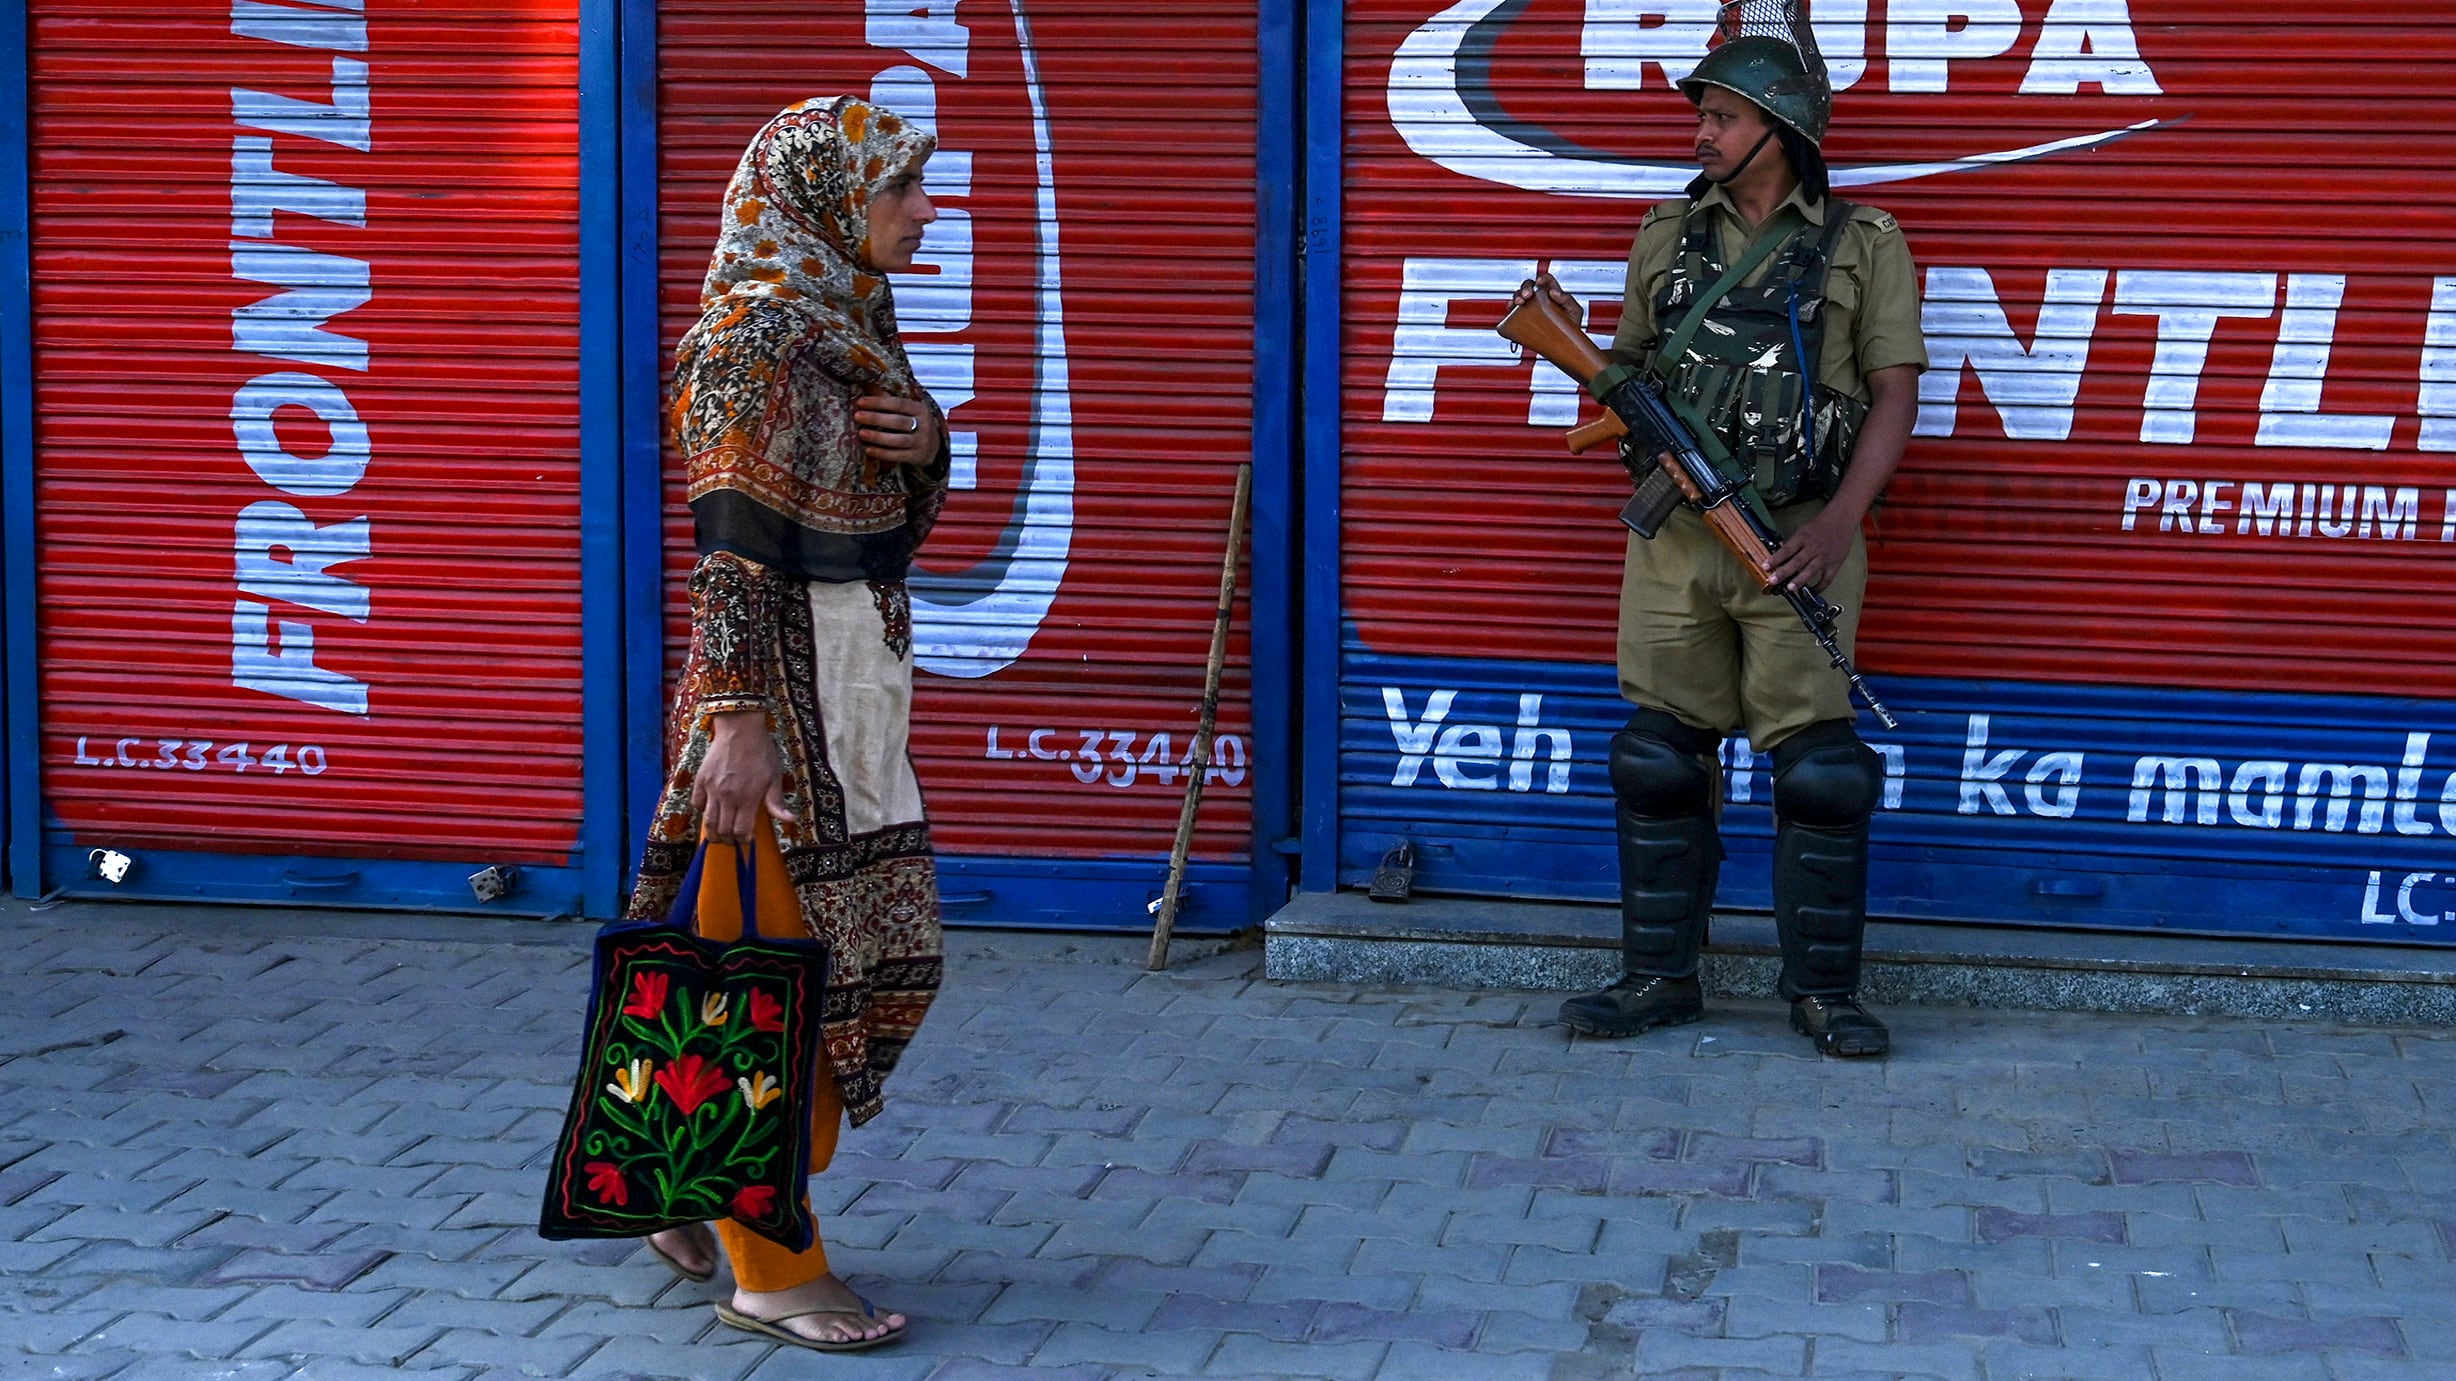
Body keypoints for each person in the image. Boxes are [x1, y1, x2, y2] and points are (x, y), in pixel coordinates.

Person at [1523, 5, 1925, 1056]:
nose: (1697, 132)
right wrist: (1612, 399)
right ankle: (1657, 979)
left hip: (1798, 539)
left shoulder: (1861, 242)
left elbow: (1891, 393)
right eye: (1699, 115)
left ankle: (1822, 995)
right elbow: (1620, 374)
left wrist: (1841, 521)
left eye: (1717, 115)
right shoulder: (1665, 233)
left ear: (1777, 126)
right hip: (1672, 545)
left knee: (1820, 775)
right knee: (1656, 759)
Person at [622, 95, 950, 1351]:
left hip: (849, 694)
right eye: (901, 188)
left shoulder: (847, 327)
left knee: (761, 964)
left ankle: (672, 1195)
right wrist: (740, 724)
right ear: (825, 200)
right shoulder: (757, 344)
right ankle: (772, 1266)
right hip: (780, 710)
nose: (923, 210)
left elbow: (880, 529)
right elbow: (730, 560)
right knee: (768, 988)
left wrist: (927, 445)